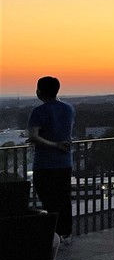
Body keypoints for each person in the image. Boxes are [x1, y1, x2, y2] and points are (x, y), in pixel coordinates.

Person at [27, 76, 76, 242]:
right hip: (64, 162)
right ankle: (65, 233)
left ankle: (53, 235)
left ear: (39, 91)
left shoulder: (38, 111)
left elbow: (33, 136)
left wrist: (51, 143)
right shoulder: (69, 109)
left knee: (48, 200)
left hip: (45, 164)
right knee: (63, 198)